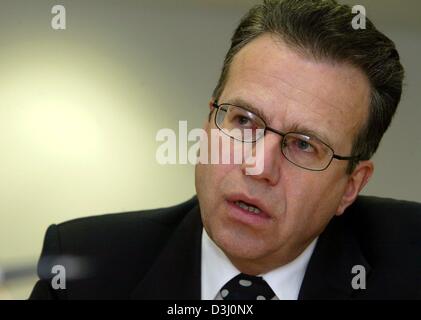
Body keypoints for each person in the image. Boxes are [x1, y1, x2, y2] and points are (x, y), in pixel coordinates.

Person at [30, 0, 421, 300]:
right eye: (244, 121)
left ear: (351, 186)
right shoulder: (84, 271)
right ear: (209, 123)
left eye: (304, 145)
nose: (258, 166)